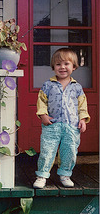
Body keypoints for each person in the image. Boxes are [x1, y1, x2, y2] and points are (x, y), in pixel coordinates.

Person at [33, 48, 90, 188]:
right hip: (51, 125)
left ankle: (65, 174)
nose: (62, 67)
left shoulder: (77, 87)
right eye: (58, 64)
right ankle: (42, 175)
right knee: (47, 150)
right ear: (53, 67)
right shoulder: (48, 85)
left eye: (66, 64)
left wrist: (83, 119)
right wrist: (43, 115)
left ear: (74, 67)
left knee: (69, 151)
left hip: (72, 126)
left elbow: (82, 106)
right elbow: (41, 101)